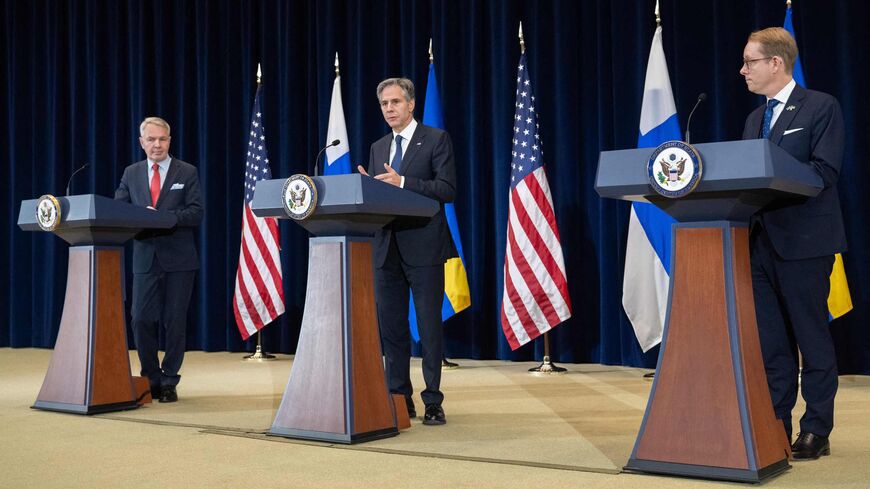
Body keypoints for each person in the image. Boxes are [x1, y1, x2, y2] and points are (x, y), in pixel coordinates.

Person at [740, 27, 846, 460]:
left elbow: (823, 172)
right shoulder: (752, 119)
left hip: (805, 241)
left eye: (750, 62)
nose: (742, 70)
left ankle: (816, 429)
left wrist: (767, 176)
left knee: (811, 338)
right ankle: (774, 423)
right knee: (772, 344)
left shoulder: (821, 106)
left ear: (775, 64)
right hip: (759, 244)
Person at [357, 78, 457, 425]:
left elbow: (446, 189)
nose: (390, 109)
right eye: (384, 104)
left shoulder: (435, 139)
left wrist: (402, 182)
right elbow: (380, 197)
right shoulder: (378, 146)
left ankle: (433, 400)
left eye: (396, 102)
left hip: (424, 246)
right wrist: (366, 189)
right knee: (393, 330)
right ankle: (399, 398)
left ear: (411, 104)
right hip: (387, 248)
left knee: (429, 327)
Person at [115, 117, 203, 403]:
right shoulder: (131, 173)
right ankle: (150, 377)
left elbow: (196, 212)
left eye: (162, 139)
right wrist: (141, 217)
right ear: (142, 143)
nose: (157, 145)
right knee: (140, 319)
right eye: (151, 139)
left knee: (174, 321)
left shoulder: (187, 171)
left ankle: (169, 379)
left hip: (180, 259)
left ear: (169, 141)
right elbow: (118, 210)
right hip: (144, 258)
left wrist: (163, 219)